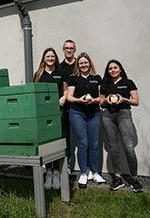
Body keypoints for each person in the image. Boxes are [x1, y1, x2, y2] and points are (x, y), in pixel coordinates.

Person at [100, 59, 142, 192]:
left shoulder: (128, 83)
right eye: (110, 68)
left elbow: (136, 102)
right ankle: (117, 178)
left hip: (124, 114)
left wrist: (124, 100)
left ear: (120, 69)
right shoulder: (105, 84)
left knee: (129, 148)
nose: (113, 70)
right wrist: (105, 100)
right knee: (113, 148)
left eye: (115, 68)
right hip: (108, 116)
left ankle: (134, 178)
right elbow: (101, 102)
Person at [67, 52, 106, 188]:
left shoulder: (97, 78)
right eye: (81, 63)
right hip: (77, 113)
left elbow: (102, 98)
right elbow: (69, 97)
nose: (83, 65)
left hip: (93, 113)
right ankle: (83, 173)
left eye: (86, 62)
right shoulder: (73, 78)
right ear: (78, 65)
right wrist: (80, 100)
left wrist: (94, 100)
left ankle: (95, 172)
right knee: (83, 142)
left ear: (90, 63)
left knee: (95, 144)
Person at [33, 47, 67, 190]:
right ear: (44, 58)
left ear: (56, 58)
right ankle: (48, 172)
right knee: (47, 141)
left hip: (58, 110)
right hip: (44, 113)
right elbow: (34, 92)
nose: (50, 58)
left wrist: (64, 97)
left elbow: (65, 89)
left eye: (52, 56)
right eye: (48, 56)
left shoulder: (61, 73)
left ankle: (57, 172)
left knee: (57, 140)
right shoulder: (38, 74)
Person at [58, 39, 78, 175]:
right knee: (66, 138)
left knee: (82, 138)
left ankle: (86, 168)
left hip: (80, 107)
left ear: (74, 50)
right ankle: (67, 166)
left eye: (71, 48)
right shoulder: (59, 67)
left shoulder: (81, 64)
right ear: (63, 50)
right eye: (67, 48)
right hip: (65, 107)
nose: (69, 50)